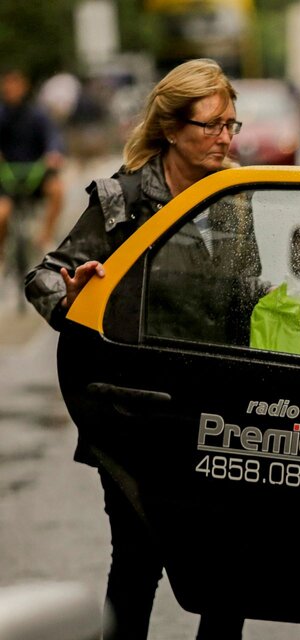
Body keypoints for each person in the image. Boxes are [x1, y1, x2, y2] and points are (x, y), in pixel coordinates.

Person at [24, 58, 249, 640]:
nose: (225, 137)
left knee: (228, 573)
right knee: (137, 563)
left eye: (231, 125)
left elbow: (242, 298)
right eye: (212, 125)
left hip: (215, 414)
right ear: (172, 128)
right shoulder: (121, 200)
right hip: (135, 410)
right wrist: (72, 302)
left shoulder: (238, 198)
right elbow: (44, 277)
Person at [0, 67, 66, 260]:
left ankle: (45, 236)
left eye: (16, 83)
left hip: (36, 174)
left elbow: (52, 136)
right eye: (8, 84)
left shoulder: (37, 115)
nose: (12, 89)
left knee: (57, 190)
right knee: (2, 214)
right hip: (7, 177)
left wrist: (54, 154)